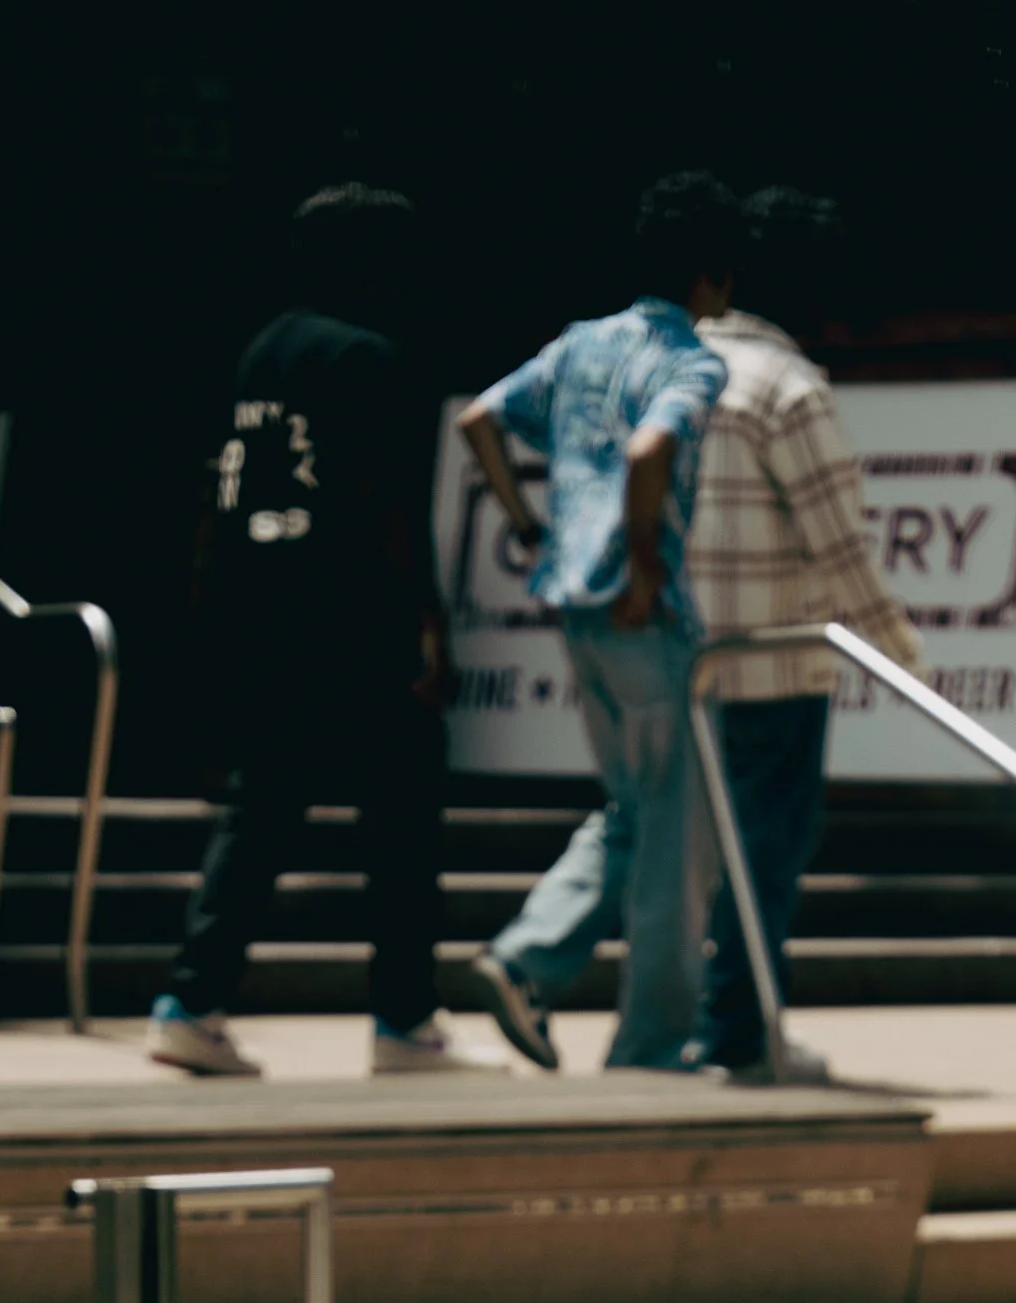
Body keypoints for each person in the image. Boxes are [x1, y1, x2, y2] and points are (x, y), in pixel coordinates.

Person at [151, 183, 497, 1082]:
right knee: (403, 826)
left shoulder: (260, 351)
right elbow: (386, 502)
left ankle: (192, 1001)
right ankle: (404, 1022)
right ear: (370, 265)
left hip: (264, 614)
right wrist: (430, 628)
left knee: (259, 812)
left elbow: (219, 490)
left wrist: (206, 607)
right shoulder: (371, 357)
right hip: (355, 620)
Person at [463, 174, 735, 1073]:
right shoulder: (693, 359)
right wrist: (647, 564)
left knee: (633, 807)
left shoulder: (580, 345)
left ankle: (527, 958)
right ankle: (650, 1044)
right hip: (639, 609)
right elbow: (653, 446)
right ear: (709, 278)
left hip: (572, 604)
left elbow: (480, 420)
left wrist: (523, 519)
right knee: (675, 830)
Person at [685, 189, 923, 1085]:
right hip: (775, 662)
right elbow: (842, 543)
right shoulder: (787, 387)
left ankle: (691, 1026)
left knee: (688, 856)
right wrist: (900, 654)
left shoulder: (678, 370)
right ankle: (739, 1033)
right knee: (766, 856)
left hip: (680, 653)